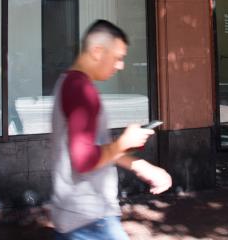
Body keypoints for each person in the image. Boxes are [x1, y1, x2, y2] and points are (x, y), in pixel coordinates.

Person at [50, 20, 172, 239]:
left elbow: (93, 148)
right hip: (90, 218)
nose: (120, 65)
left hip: (77, 215)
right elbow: (85, 160)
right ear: (97, 51)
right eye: (118, 57)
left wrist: (139, 165)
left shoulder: (68, 82)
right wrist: (124, 142)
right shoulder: (81, 91)